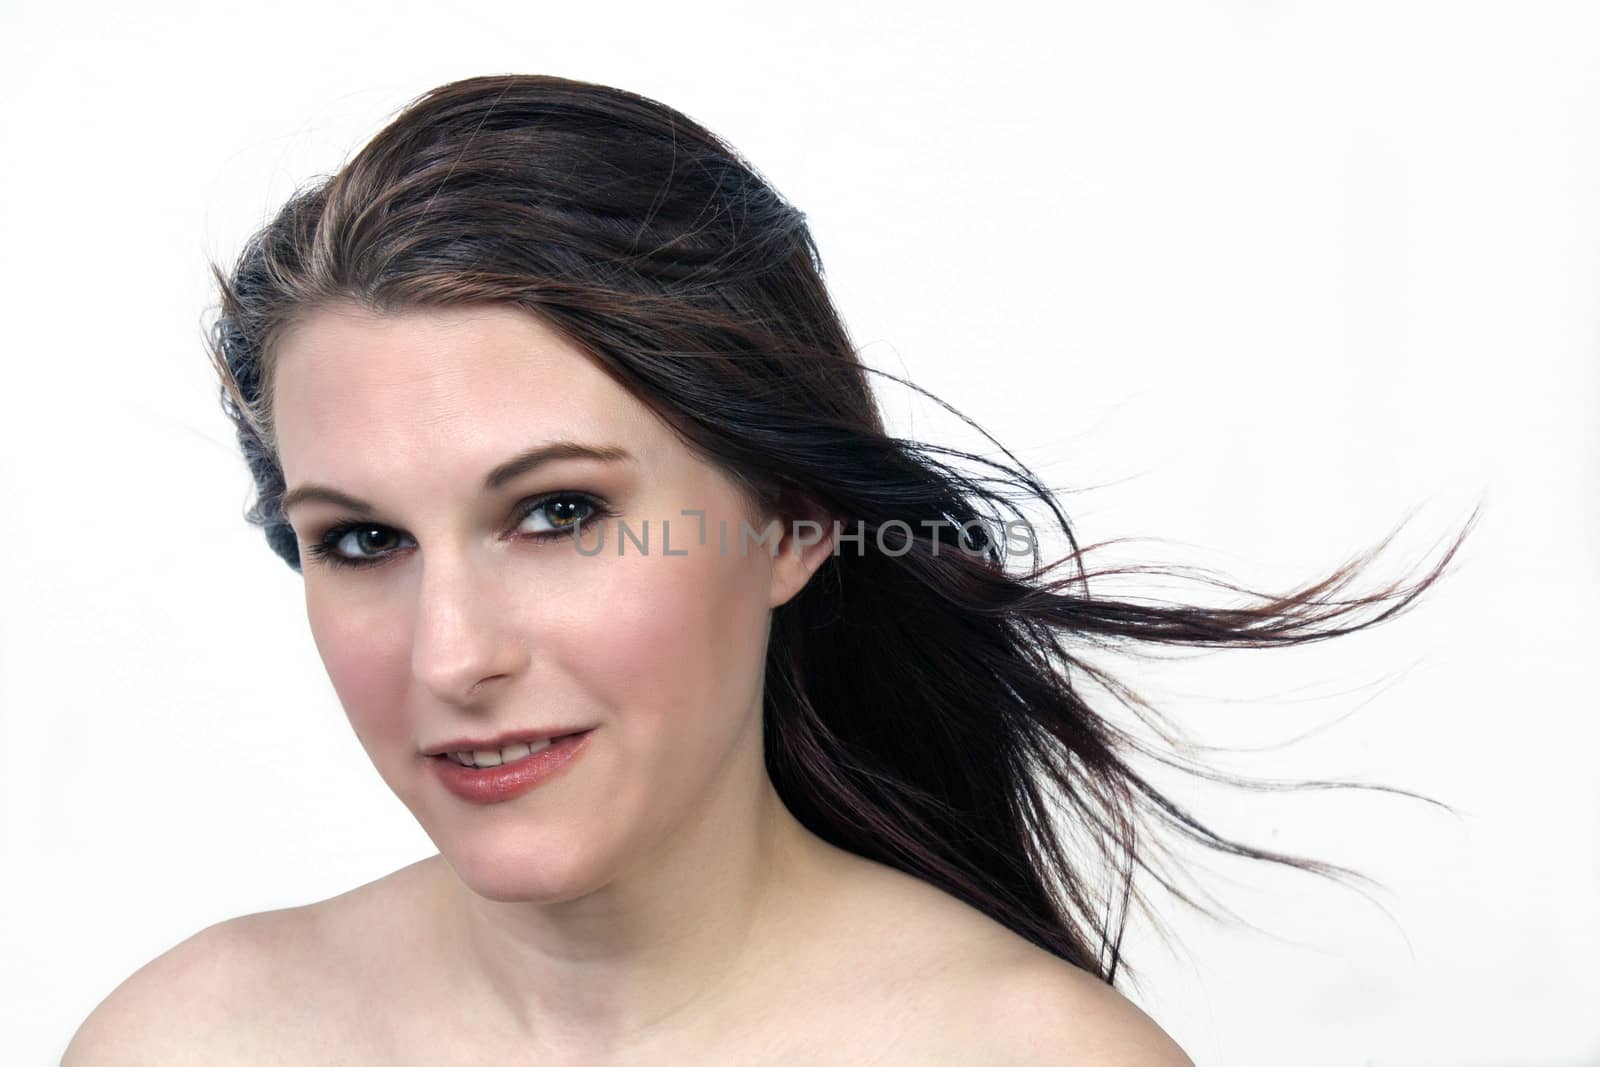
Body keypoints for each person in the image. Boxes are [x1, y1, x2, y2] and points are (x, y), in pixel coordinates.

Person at [63, 73, 1474, 1064]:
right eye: (360, 541)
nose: (452, 657)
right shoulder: (188, 1042)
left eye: (557, 513)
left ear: (793, 520)